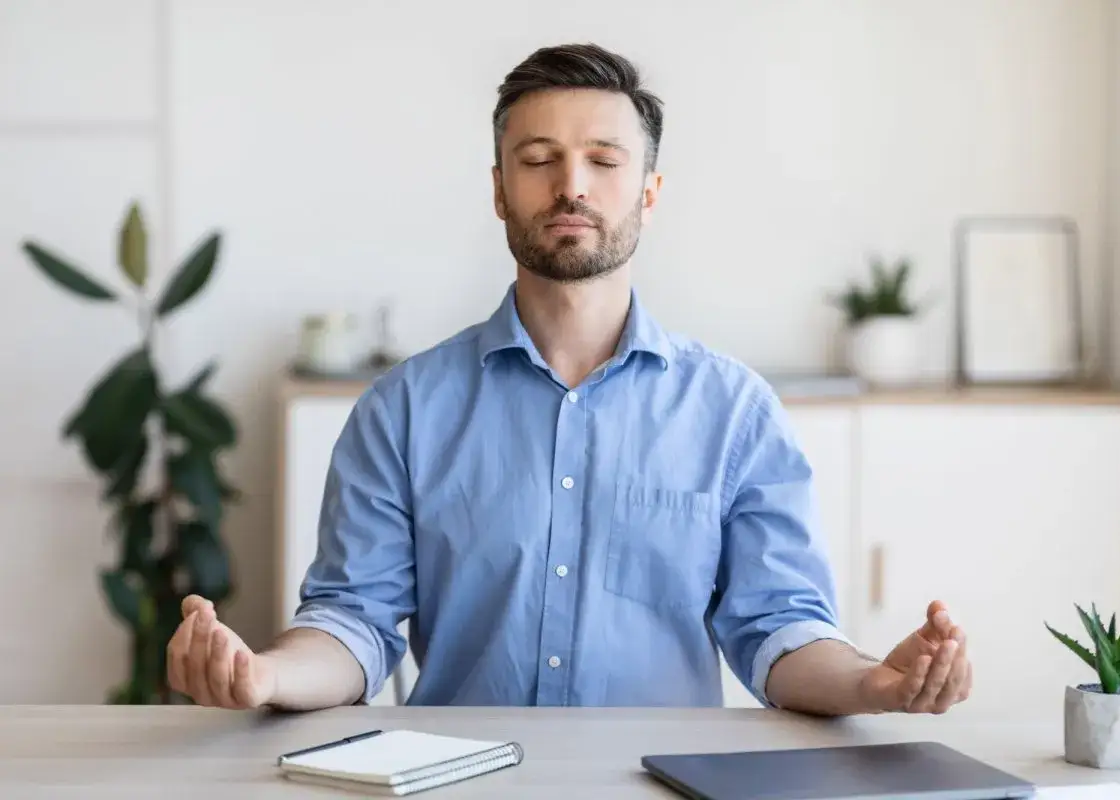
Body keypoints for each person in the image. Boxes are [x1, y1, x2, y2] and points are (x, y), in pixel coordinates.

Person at [166, 42, 971, 715]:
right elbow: (352, 624)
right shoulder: (401, 409)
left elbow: (778, 632)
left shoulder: (735, 412)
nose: (572, 185)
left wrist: (874, 684)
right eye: (538, 159)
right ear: (498, 188)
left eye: (603, 161)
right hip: (459, 781)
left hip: (662, 782)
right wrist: (266, 675)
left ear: (649, 192)